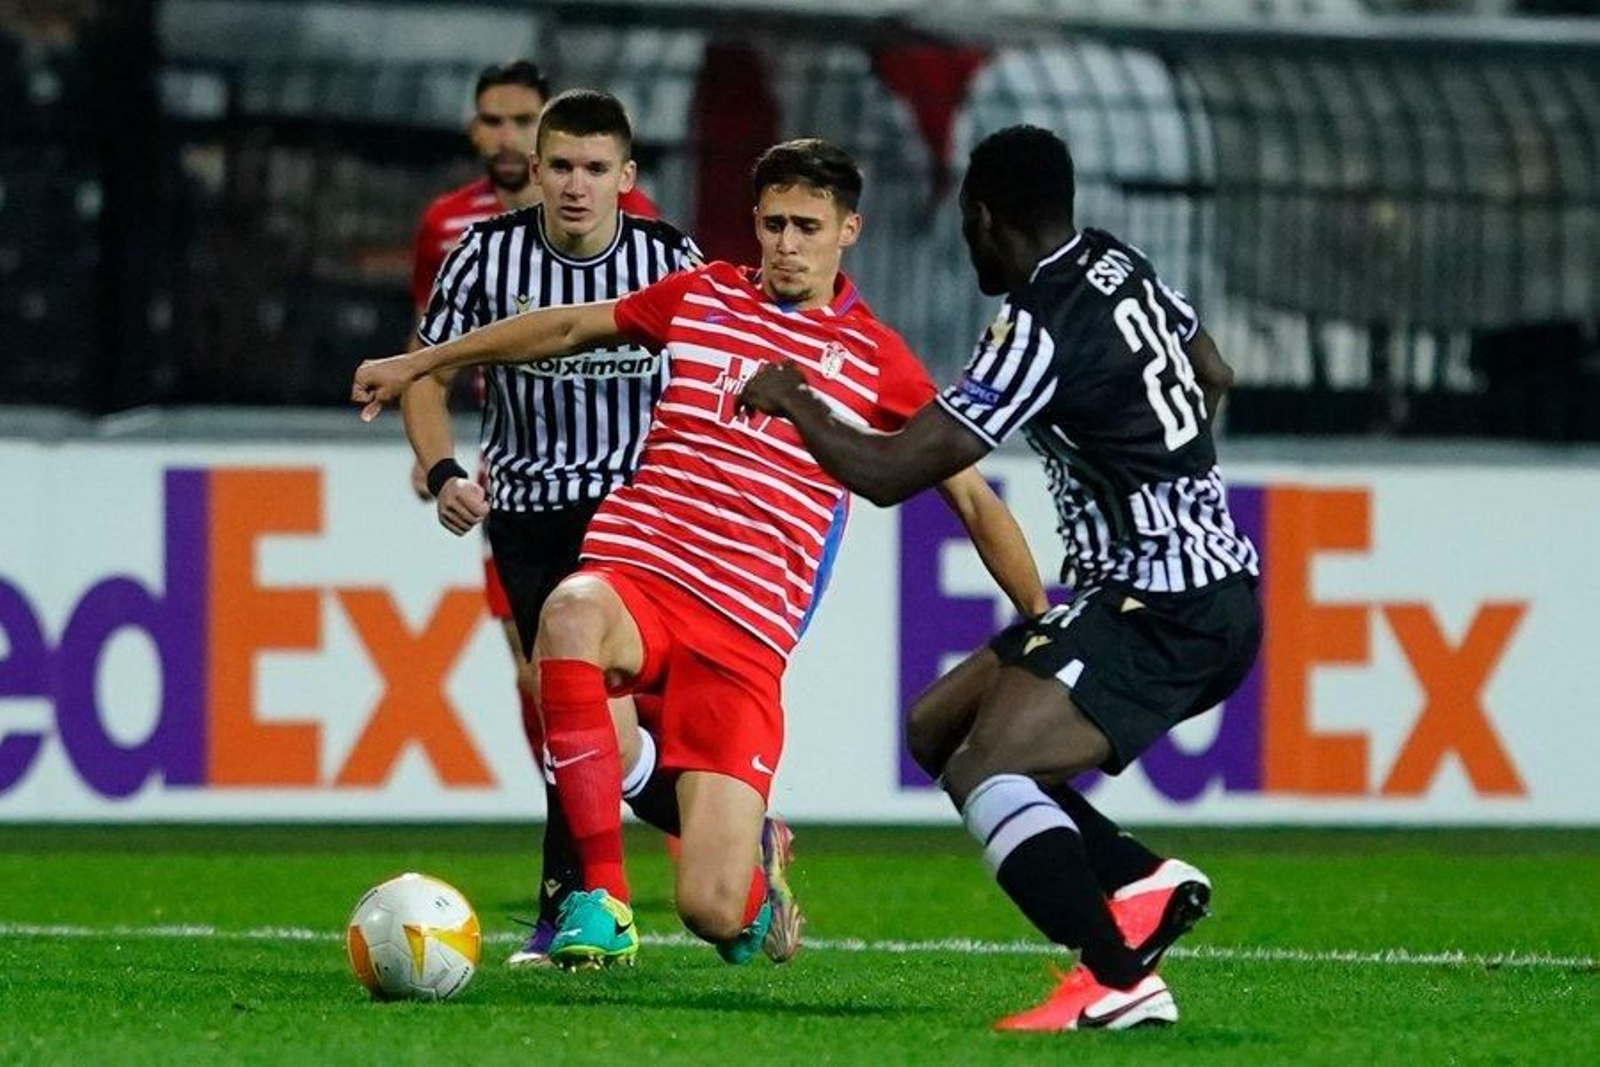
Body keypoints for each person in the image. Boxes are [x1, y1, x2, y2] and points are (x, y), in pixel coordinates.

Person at [353, 138, 1049, 970]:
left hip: (745, 632)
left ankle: (751, 867)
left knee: (712, 909)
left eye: (808, 226)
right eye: (775, 223)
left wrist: (1040, 619)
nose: (788, 243)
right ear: (755, 222)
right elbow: (570, 324)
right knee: (567, 618)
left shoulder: (875, 357)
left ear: (849, 230)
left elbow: (971, 493)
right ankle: (601, 899)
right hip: (640, 568)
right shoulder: (703, 294)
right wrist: (423, 360)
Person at [736, 125, 1261, 1031]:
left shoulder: (1037, 326)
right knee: (937, 727)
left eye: (966, 224)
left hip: (1167, 603)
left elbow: (894, 471)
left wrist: (791, 397)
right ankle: (1139, 878)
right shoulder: (1113, 263)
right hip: (1177, 583)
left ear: (982, 216)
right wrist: (1157, 471)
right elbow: (1211, 370)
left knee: (989, 765)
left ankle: (1117, 974)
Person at [405, 86, 693, 968]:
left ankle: (580, 905)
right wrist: (446, 467)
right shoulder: (482, 257)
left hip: (633, 511)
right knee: (569, 712)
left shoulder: (668, 257)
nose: (576, 185)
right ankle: (723, 832)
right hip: (525, 513)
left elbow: (715, 374)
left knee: (589, 699)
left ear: (627, 178)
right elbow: (427, 371)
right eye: (561, 166)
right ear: (535, 171)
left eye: (595, 169)